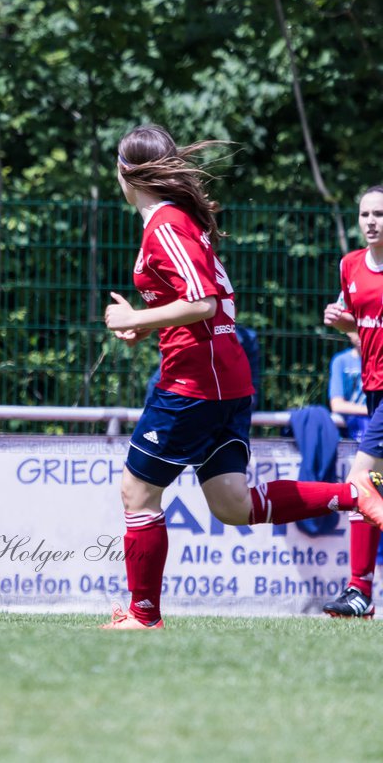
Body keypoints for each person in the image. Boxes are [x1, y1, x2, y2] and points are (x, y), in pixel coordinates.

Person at [101, 126, 383, 629]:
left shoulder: (164, 223)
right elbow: (204, 303)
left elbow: (205, 303)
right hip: (223, 377)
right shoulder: (178, 222)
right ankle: (354, 494)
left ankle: (143, 615)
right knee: (232, 504)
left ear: (127, 173)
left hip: (194, 383)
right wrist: (147, 330)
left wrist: (134, 321)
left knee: (137, 491)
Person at [322, 185, 383, 618]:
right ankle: (360, 592)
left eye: (380, 213)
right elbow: (360, 339)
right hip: (374, 390)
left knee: (361, 483)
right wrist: (347, 325)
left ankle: (359, 590)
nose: (372, 222)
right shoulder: (350, 266)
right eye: (365, 214)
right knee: (372, 487)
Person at [328, 331, 367, 442]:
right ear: (348, 332)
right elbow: (337, 405)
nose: (362, 333)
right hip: (350, 427)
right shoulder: (340, 361)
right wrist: (371, 410)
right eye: (356, 329)